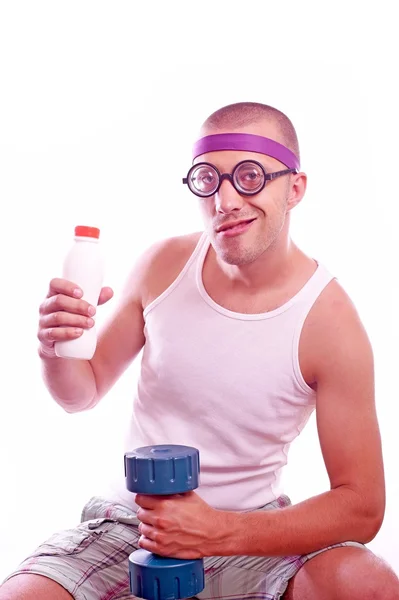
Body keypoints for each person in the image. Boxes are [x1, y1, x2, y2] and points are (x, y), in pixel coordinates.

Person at [1, 102, 398, 600]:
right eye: (208, 179)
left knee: (369, 586)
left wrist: (219, 531)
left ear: (294, 188)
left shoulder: (331, 324)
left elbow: (363, 506)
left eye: (250, 176)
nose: (226, 200)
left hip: (252, 534)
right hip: (135, 523)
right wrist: (54, 349)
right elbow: (81, 392)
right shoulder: (163, 264)